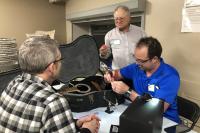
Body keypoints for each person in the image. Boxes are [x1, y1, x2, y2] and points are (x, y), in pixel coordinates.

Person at [0, 36, 100, 133]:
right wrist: (87, 130)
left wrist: (76, 123)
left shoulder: (14, 83)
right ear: (52, 67)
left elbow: (26, 123)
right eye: (60, 60)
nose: (61, 63)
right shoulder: (53, 101)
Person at [104, 36, 180, 123]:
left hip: (165, 121)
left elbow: (157, 111)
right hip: (140, 114)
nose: (137, 63)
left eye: (141, 60)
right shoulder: (137, 67)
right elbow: (117, 74)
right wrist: (109, 75)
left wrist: (128, 92)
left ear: (154, 59)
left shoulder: (170, 76)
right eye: (135, 58)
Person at [99, 5, 146, 70]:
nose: (118, 21)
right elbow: (107, 54)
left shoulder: (141, 32)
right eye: (116, 18)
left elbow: (147, 52)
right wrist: (103, 53)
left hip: (136, 72)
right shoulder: (109, 35)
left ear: (129, 18)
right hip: (118, 73)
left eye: (121, 18)